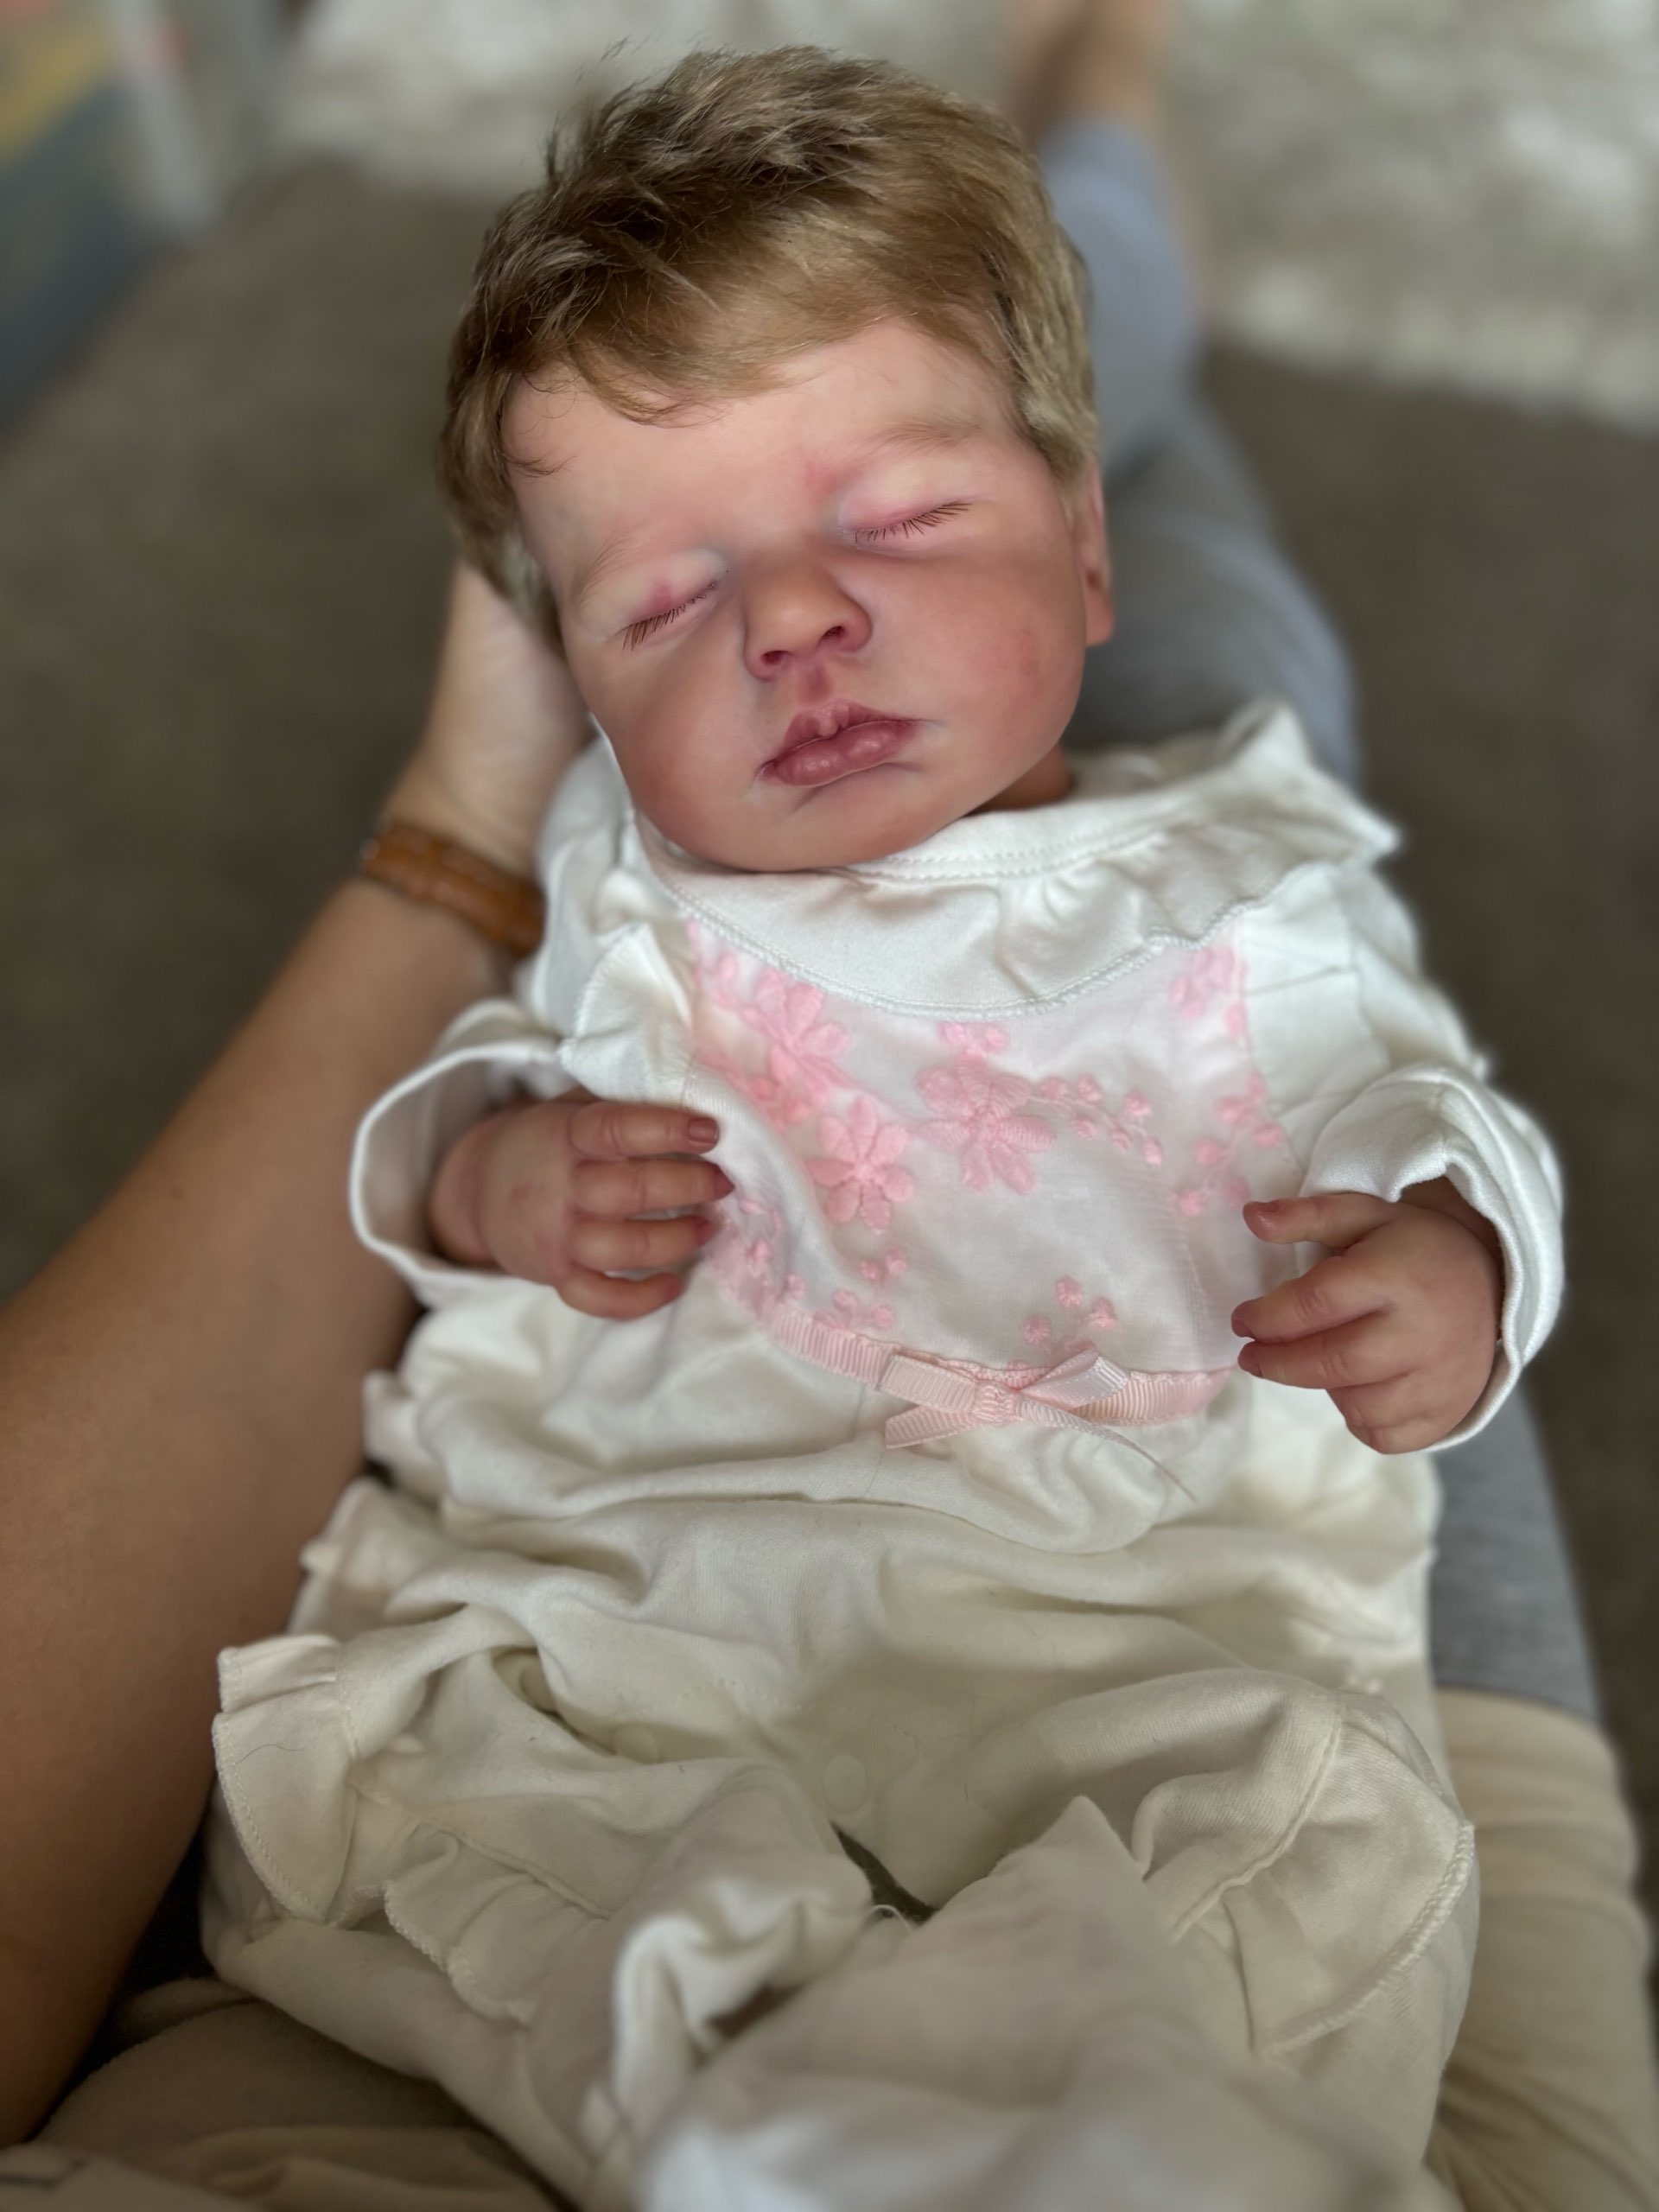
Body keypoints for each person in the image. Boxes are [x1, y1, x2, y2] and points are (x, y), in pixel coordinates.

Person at [11, 12, 1657, 2212]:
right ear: (584, 697)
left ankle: (1105, 166)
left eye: (894, 517)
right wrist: (495, 1168)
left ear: (1075, 564)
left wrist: (1453, 1251)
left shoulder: (1240, 881)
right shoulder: (629, 887)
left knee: (1225, 610)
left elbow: (1429, 1105)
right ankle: (1107, 178)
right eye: (665, 599)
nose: (791, 614)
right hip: (640, 1645)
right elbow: (430, 1128)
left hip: (1114, 1640)